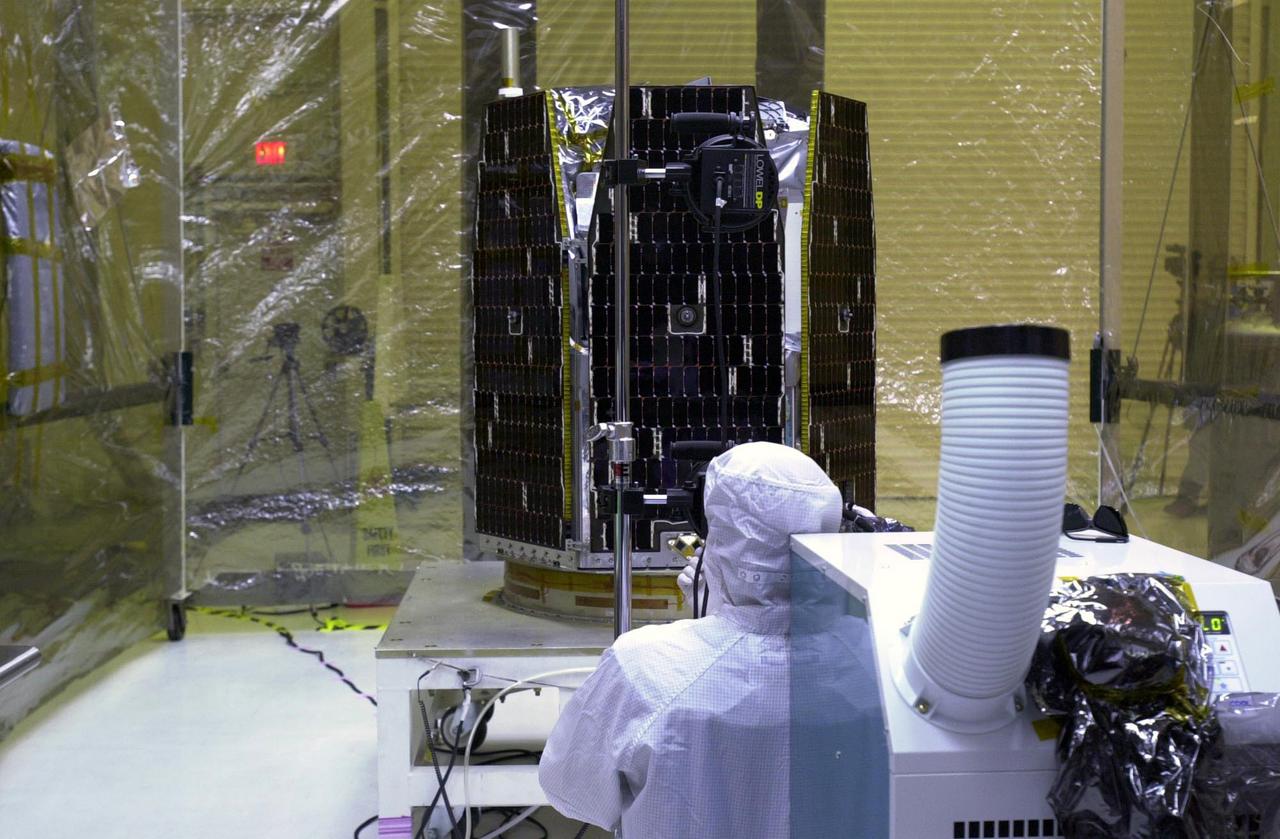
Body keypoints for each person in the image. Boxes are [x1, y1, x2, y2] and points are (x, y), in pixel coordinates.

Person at [538, 441, 885, 837]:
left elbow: (573, 793)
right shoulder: (877, 663)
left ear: (718, 536)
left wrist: (715, 611)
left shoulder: (643, 668)